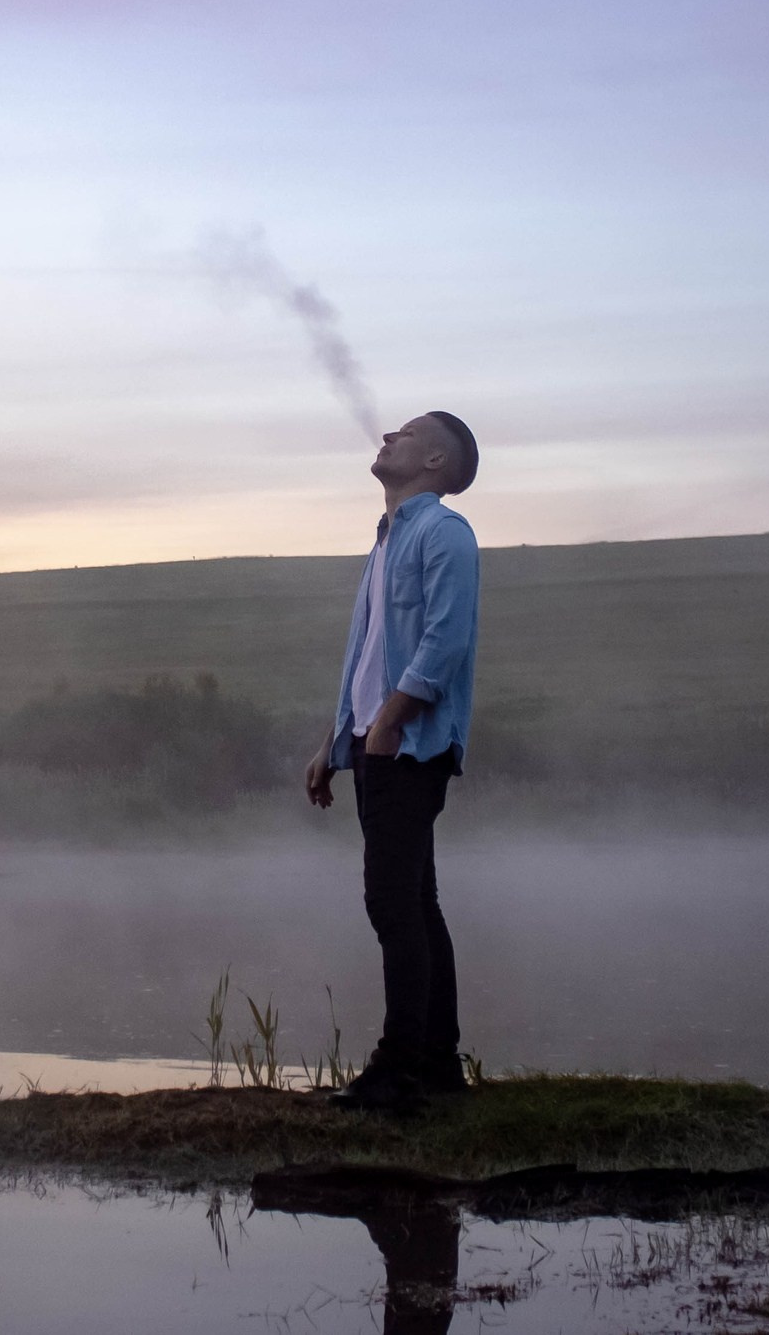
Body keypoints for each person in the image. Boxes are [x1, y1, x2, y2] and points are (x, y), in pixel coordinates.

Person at [305, 411, 482, 1112]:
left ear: (435, 461)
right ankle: (436, 1064)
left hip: (410, 745)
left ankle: (398, 1070)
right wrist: (334, 743)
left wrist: (390, 721)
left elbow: (446, 639)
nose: (386, 437)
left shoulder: (444, 532)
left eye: (404, 433)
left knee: (391, 903)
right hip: (378, 741)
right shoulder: (385, 542)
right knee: (417, 902)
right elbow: (368, 655)